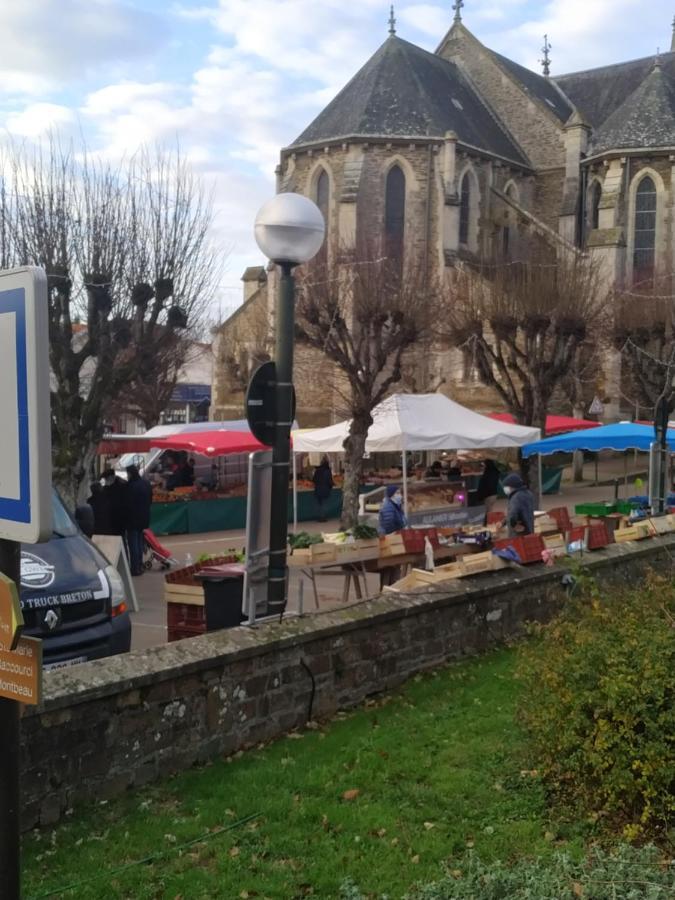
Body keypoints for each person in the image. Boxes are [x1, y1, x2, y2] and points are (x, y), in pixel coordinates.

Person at [124, 464, 153, 576]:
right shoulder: (146, 483)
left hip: (132, 518)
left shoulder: (131, 486)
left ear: (130, 473)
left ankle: (135, 568)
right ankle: (140, 565)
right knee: (140, 542)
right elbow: (150, 499)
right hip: (144, 517)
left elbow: (127, 503)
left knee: (133, 544)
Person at [502, 473, 535, 537]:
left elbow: (513, 514)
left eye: (506, 486)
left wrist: (513, 524)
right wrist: (503, 522)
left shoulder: (515, 497)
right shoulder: (529, 494)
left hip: (519, 533)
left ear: (512, 486)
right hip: (529, 528)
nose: (505, 489)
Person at [102, 468, 127, 536]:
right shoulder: (111, 485)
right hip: (113, 517)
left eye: (106, 478)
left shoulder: (121, 486)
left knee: (120, 536)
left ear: (111, 477)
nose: (106, 480)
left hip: (119, 517)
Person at [312, 455, 334, 522]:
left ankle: (319, 516)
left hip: (318, 489)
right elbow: (330, 481)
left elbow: (314, 480)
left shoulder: (317, 470)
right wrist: (331, 486)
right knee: (324, 503)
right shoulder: (328, 471)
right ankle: (323, 517)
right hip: (325, 489)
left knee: (319, 503)